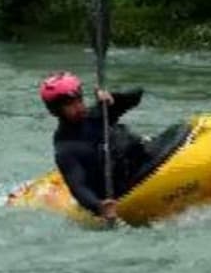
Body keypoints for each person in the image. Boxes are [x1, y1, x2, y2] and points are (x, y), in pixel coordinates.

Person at [39, 71, 153, 221]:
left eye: (79, 100)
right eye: (70, 105)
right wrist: (99, 206)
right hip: (119, 187)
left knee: (125, 137)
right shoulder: (66, 147)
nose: (78, 107)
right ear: (56, 111)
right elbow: (78, 187)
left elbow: (137, 95)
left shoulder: (97, 115)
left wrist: (112, 97)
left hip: (139, 163)